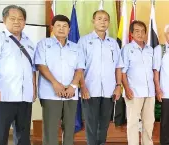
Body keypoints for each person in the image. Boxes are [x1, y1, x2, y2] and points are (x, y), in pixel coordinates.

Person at [35, 14, 84, 145]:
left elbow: (80, 69)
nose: (61, 29)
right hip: (50, 93)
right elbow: (41, 66)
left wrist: (73, 86)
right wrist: (55, 84)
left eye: (65, 26)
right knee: (50, 131)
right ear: (52, 27)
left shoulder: (76, 47)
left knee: (69, 130)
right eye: (58, 26)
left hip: (71, 94)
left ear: (69, 29)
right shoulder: (43, 44)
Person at [0, 5, 36, 145]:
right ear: (4, 20)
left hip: (25, 98)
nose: (17, 22)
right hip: (3, 97)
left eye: (21, 19)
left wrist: (34, 89)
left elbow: (32, 69)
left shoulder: (29, 42)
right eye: (13, 18)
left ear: (24, 22)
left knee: (23, 138)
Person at [78, 10, 122, 145]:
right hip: (90, 90)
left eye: (106, 19)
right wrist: (83, 87)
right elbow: (79, 67)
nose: (103, 22)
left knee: (104, 124)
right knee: (91, 124)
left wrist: (118, 86)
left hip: (109, 91)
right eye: (99, 19)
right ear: (93, 21)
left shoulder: (113, 43)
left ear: (108, 23)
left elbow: (118, 66)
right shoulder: (84, 41)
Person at [120, 20, 156, 145]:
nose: (140, 34)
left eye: (142, 31)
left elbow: (154, 70)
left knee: (148, 122)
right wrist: (127, 88)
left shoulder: (150, 50)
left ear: (146, 33)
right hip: (133, 92)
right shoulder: (127, 49)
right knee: (133, 123)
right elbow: (122, 72)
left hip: (150, 92)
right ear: (131, 34)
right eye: (137, 31)